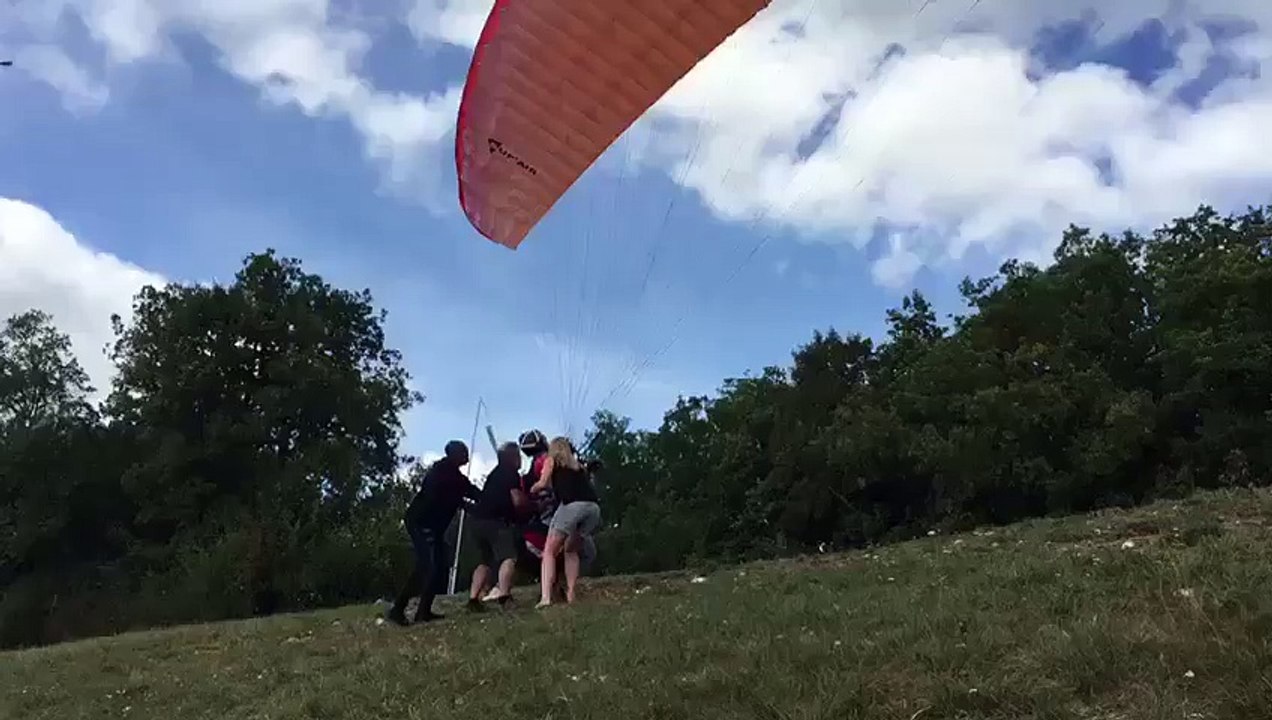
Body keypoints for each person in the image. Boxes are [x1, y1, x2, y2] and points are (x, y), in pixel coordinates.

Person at [386, 440, 480, 626]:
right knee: (427, 566)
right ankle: (398, 610)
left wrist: (489, 502)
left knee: (439, 566)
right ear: (453, 454)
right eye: (463, 452)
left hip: (433, 527)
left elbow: (473, 492)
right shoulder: (439, 473)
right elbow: (439, 495)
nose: (466, 456)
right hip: (421, 523)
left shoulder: (456, 477)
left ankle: (423, 611)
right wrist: (462, 503)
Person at [531, 436, 602, 607]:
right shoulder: (577, 466)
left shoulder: (551, 461)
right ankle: (571, 593)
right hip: (593, 509)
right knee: (571, 550)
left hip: (572, 507)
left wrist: (533, 488)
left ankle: (546, 597)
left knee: (549, 551)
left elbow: (543, 483)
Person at [465, 441, 525, 609]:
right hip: (496, 522)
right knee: (508, 557)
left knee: (484, 560)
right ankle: (505, 596)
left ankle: (473, 599)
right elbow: (518, 501)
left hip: (477, 521)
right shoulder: (510, 473)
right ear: (512, 457)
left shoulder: (494, 475)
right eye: (518, 456)